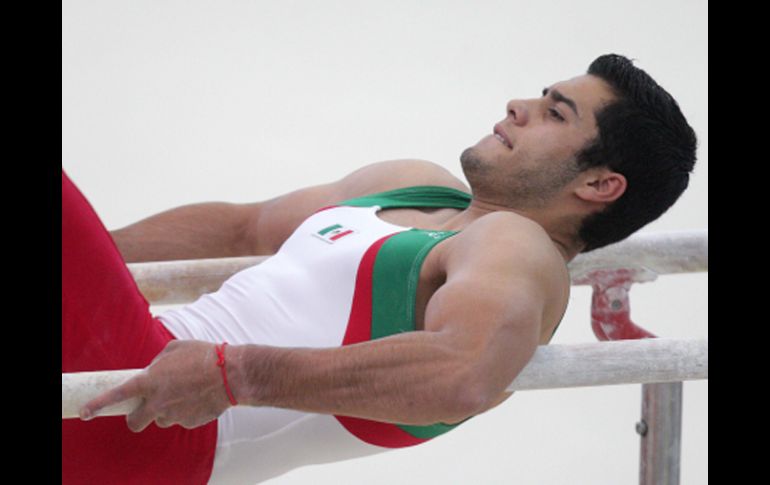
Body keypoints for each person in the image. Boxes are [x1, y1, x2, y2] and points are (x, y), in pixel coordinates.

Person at [63, 54, 697, 484]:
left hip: (162, 425)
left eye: (556, 113)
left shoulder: (517, 248)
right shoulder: (407, 185)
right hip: (131, 368)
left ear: (598, 184)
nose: (518, 105)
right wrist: (87, 257)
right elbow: (241, 229)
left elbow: (463, 372)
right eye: (541, 95)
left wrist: (235, 374)